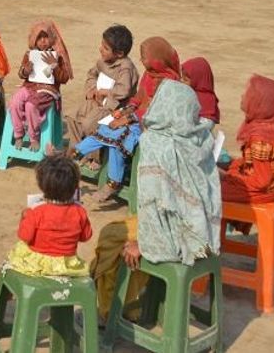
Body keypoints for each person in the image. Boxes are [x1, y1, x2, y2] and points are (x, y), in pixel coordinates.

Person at [89, 80, 220, 322]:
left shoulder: (157, 145)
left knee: (112, 238)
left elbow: (156, 206)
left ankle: (109, 311)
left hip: (172, 235)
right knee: (123, 234)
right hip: (202, 234)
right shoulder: (200, 137)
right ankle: (134, 303)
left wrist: (144, 244)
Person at [73, 36, 185, 202]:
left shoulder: (169, 83)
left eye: (144, 57)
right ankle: (75, 153)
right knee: (105, 129)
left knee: (117, 141)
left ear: (156, 59)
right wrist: (126, 110)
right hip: (134, 118)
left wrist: (128, 119)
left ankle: (113, 182)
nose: (141, 60)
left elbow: (157, 113)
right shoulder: (149, 75)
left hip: (149, 127)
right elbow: (138, 99)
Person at [220, 75, 274, 230]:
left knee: (202, 192)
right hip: (268, 190)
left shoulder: (261, 137)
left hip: (260, 193)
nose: (243, 96)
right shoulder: (272, 128)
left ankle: (204, 245)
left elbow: (261, 181)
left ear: (260, 104)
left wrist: (231, 176)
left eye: (248, 94)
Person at [6, 153, 93, 277]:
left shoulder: (36, 212)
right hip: (67, 265)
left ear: (42, 186)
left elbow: (25, 236)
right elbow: (86, 236)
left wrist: (24, 217)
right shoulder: (79, 212)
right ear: (75, 186)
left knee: (17, 251)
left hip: (37, 264)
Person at [68, 24, 139, 167]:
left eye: (106, 48)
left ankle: (95, 158)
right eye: (102, 45)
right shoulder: (102, 62)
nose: (101, 49)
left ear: (119, 53)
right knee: (72, 117)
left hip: (115, 107)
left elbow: (124, 90)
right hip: (97, 101)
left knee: (90, 124)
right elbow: (91, 74)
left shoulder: (126, 67)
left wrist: (107, 92)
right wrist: (92, 88)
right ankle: (77, 151)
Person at [10, 20, 73, 151]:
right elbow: (21, 74)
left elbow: (64, 78)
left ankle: (34, 137)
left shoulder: (58, 56)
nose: (43, 41)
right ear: (34, 40)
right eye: (39, 38)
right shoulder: (30, 55)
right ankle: (18, 134)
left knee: (30, 106)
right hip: (29, 86)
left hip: (48, 90)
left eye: (46, 37)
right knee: (15, 101)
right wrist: (26, 70)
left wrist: (55, 66)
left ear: (51, 38)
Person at [182, 57, 221, 125]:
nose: (181, 82)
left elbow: (206, 125)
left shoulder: (207, 101)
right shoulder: (186, 94)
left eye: (185, 80)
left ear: (197, 80)